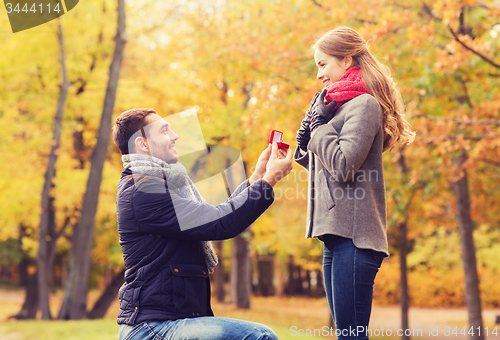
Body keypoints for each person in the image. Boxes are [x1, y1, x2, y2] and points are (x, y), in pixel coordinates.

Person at [112, 108, 292, 340]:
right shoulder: (144, 191)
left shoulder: (158, 184)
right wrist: (268, 181)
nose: (175, 135)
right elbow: (220, 222)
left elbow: (213, 215)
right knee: (260, 336)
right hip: (152, 328)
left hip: (174, 320)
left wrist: (258, 177)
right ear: (143, 145)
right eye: (165, 131)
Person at [294, 27, 415, 340]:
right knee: (345, 335)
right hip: (334, 236)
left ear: (346, 60)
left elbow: (343, 166)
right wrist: (305, 140)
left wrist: (319, 127)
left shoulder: (364, 106)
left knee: (350, 336)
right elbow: (325, 170)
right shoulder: (337, 107)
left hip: (356, 237)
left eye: (323, 64)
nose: (318, 74)